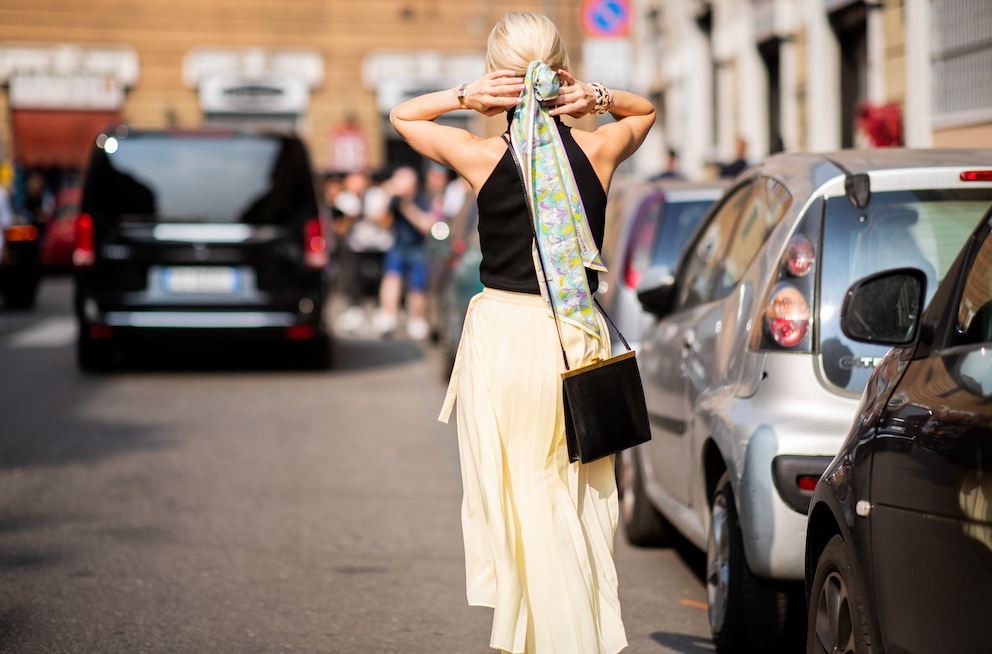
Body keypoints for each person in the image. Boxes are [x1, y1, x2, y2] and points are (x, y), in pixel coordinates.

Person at [390, 11, 655, 654]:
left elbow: (403, 117)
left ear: (497, 80)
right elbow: (642, 112)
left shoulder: (482, 156)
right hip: (576, 337)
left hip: (508, 341)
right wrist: (594, 96)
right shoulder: (597, 151)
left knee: (525, 501)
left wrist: (463, 97)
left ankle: (554, 641)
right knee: (569, 499)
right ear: (558, 72)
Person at [372, 165, 435, 339]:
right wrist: (387, 195)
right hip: (397, 246)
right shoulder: (393, 201)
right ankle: (388, 316)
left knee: (417, 286)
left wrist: (407, 207)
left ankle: (416, 319)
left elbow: (426, 226)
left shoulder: (422, 200)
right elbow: (380, 220)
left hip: (417, 248)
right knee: (392, 279)